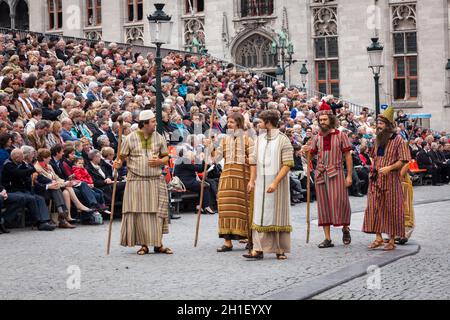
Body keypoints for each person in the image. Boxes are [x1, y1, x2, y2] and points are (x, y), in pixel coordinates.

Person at [114, 110, 173, 256]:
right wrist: (118, 163)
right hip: (137, 180)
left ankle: (158, 244)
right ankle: (144, 245)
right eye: (153, 121)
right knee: (141, 214)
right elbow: (121, 157)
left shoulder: (159, 137)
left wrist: (160, 161)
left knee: (158, 213)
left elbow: (166, 157)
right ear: (144, 123)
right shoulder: (129, 138)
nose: (156, 123)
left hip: (156, 179)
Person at [243, 110, 294, 261]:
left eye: (259, 122)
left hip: (277, 185)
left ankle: (280, 249)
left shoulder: (283, 140)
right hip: (260, 184)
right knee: (260, 215)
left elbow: (287, 164)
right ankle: (258, 249)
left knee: (277, 215)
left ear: (268, 123)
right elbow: (253, 161)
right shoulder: (259, 139)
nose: (257, 125)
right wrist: (252, 180)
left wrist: (275, 182)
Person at [304, 101, 353, 248]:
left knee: (340, 203)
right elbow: (310, 155)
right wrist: (306, 151)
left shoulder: (341, 135)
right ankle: (327, 238)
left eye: (325, 119)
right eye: (320, 120)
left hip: (336, 172)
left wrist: (349, 175)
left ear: (331, 120)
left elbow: (348, 156)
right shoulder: (316, 137)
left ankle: (345, 228)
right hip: (320, 174)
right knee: (324, 206)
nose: (322, 122)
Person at [205, 112, 256, 252]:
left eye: (232, 122)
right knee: (226, 207)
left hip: (243, 178)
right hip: (227, 177)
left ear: (238, 124)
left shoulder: (248, 140)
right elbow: (216, 159)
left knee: (245, 209)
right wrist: (209, 147)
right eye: (228, 121)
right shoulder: (225, 140)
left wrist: (252, 180)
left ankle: (250, 239)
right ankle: (227, 242)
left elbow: (253, 162)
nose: (229, 124)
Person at [363, 107, 411, 251]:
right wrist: (373, 165)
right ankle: (378, 238)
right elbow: (373, 156)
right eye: (378, 123)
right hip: (376, 179)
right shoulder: (378, 139)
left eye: (382, 124)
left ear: (389, 125)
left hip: (391, 180)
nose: (379, 126)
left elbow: (403, 160)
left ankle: (391, 240)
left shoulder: (399, 141)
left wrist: (389, 168)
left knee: (392, 209)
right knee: (373, 208)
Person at [1, 148, 56, 231]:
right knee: (31, 198)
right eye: (21, 157)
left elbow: (26, 174)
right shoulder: (8, 164)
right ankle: (38, 223)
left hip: (21, 190)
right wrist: (33, 170)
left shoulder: (20, 163)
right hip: (11, 190)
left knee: (39, 198)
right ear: (16, 158)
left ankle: (45, 221)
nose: (23, 158)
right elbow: (19, 173)